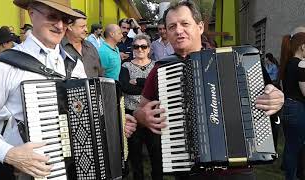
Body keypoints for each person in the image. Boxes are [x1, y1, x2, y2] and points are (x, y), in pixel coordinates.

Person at [134, 1, 284, 180]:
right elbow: (140, 109)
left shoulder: (236, 61)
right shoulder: (160, 69)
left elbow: (268, 97)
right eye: (172, 26)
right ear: (166, 31)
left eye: (185, 23)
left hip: (237, 170)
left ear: (200, 27)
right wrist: (141, 116)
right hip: (189, 169)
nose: (178, 30)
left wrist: (276, 99)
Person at [0, 0, 88, 179]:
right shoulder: (4, 66)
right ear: (31, 13)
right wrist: (9, 153)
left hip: (77, 166)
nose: (60, 25)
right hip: (27, 172)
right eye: (53, 16)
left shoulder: (74, 64)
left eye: (65, 19)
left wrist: (112, 118)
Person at [119, 34, 160, 180]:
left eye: (143, 46)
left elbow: (159, 89)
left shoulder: (156, 66)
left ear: (149, 49)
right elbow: (125, 87)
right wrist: (148, 87)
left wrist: (139, 81)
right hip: (132, 115)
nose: (140, 49)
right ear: (132, 49)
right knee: (135, 155)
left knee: (156, 153)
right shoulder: (125, 66)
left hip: (153, 115)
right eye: (136, 46)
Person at [279, 27, 305, 180]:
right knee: (296, 147)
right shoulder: (301, 64)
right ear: (303, 47)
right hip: (298, 109)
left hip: (288, 107)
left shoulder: (287, 63)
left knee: (290, 146)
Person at [61, 9, 103, 78]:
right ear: (70, 27)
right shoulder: (59, 48)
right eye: (82, 27)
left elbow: (100, 73)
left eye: (86, 26)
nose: (86, 30)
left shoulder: (90, 47)